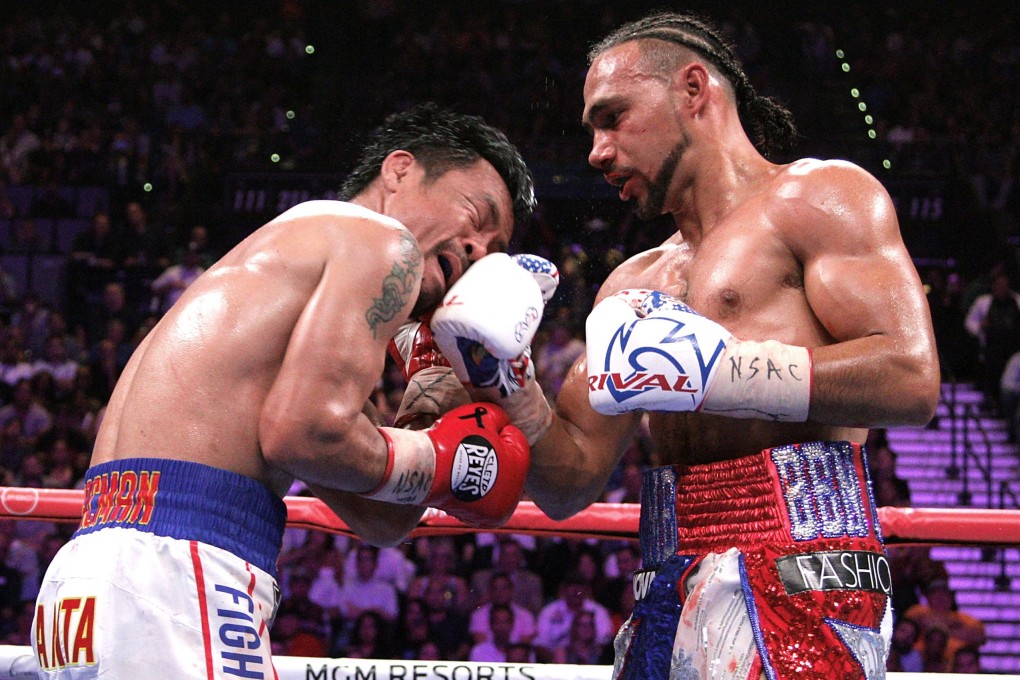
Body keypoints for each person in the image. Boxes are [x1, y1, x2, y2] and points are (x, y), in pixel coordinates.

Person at [500, 11, 938, 679]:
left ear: (694, 89)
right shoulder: (633, 284)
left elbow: (910, 378)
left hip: (804, 564)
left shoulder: (819, 197)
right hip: (666, 578)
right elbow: (570, 481)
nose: (597, 149)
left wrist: (718, 372)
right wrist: (504, 382)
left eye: (613, 116)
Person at [32, 103, 537, 678]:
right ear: (399, 170)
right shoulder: (381, 241)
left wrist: (429, 407)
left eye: (493, 250)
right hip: (177, 573)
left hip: (90, 581)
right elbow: (303, 435)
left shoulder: (289, 266)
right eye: (476, 214)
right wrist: (441, 461)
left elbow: (379, 520)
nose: (478, 249)